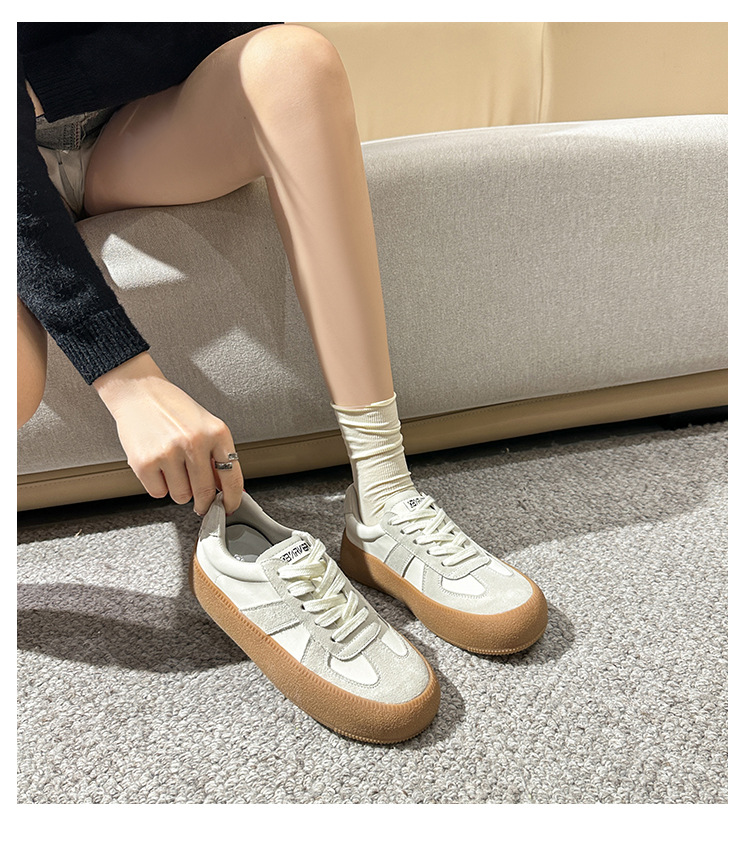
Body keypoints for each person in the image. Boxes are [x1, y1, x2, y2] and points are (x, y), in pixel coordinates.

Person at [18, 22, 548, 742]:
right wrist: (126, 377)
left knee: (295, 61)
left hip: (132, 127)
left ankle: (384, 496)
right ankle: (238, 558)